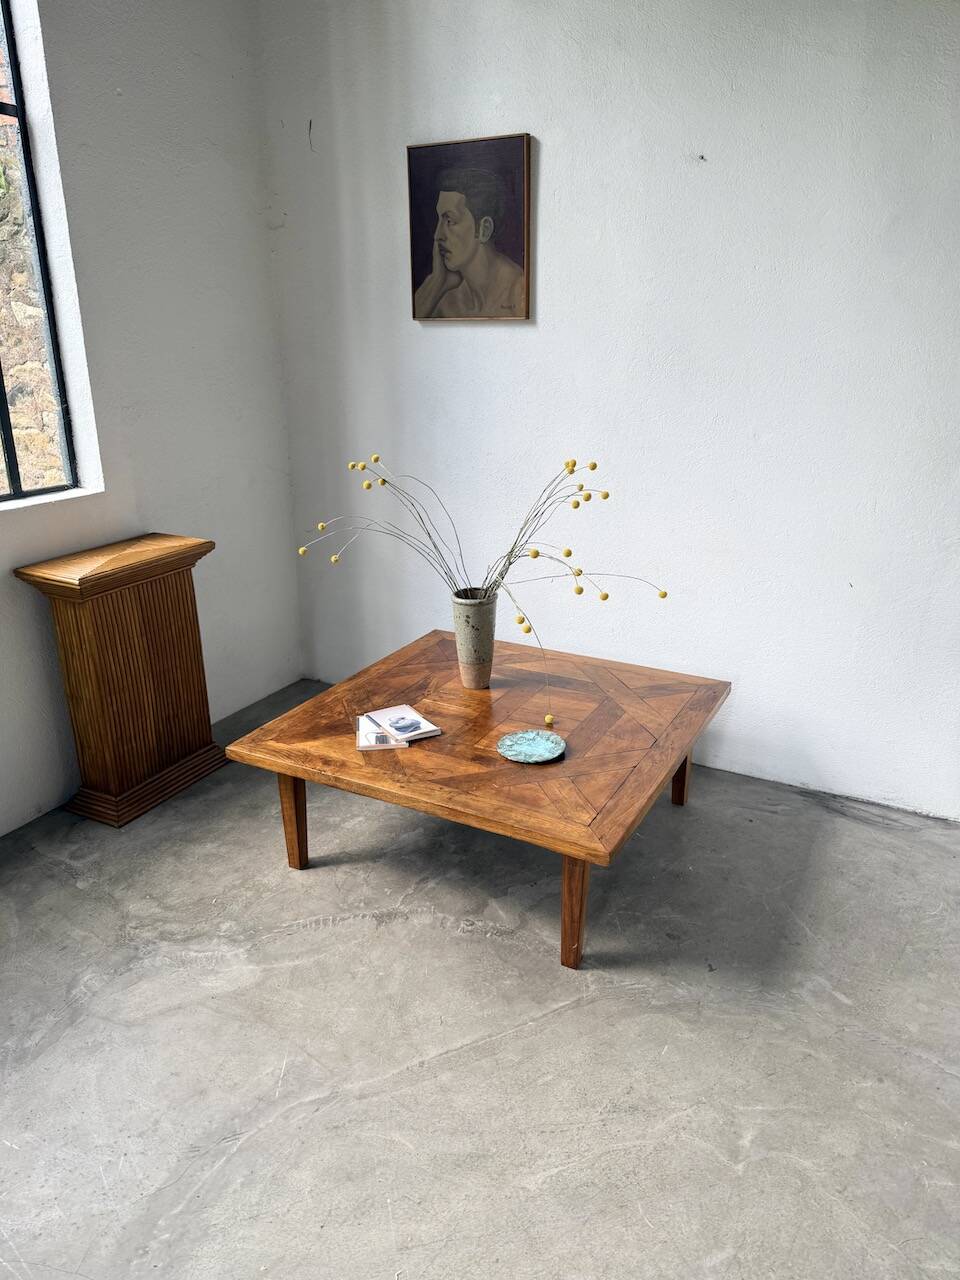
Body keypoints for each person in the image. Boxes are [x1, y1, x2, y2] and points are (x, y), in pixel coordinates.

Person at [414, 167, 524, 319]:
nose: (437, 235)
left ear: (484, 229)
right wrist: (436, 281)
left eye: (450, 221)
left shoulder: (519, 293)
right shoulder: (446, 298)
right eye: (439, 220)